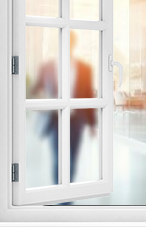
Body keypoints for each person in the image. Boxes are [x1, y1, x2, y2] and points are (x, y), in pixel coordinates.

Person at [31, 31, 97, 195]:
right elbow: (35, 90)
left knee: (72, 157)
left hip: (77, 120)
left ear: (73, 44)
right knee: (58, 158)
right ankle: (59, 194)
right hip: (55, 120)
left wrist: (92, 124)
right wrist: (46, 102)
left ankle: (67, 194)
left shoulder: (84, 69)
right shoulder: (47, 67)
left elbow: (89, 95)